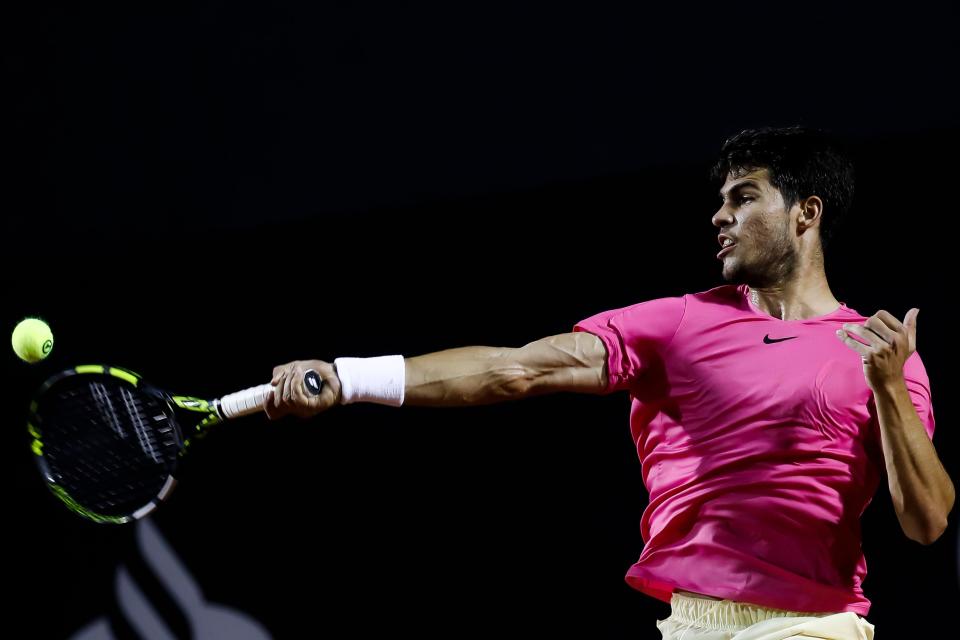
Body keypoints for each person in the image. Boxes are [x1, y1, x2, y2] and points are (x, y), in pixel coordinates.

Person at [263, 126, 954, 640]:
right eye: (719, 200)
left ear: (807, 213)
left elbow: (926, 523)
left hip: (813, 627)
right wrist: (350, 377)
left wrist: (889, 386)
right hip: (689, 624)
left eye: (743, 198)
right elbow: (516, 368)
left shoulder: (880, 353)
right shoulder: (677, 324)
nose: (719, 217)